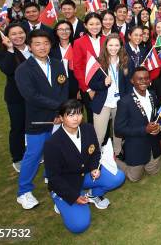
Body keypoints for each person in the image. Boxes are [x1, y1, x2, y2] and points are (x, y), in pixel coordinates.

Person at [44, 99, 125, 234]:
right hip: (66, 185)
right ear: (61, 118)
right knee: (79, 225)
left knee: (118, 177)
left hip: (85, 176)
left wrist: (94, 168)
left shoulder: (87, 128)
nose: (76, 118)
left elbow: (95, 152)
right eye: (70, 115)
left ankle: (94, 194)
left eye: (79, 113)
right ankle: (61, 201)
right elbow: (53, 178)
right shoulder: (52, 143)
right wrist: (74, 197)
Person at [14, 29, 69, 209]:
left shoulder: (57, 63)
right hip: (38, 120)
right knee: (33, 155)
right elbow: (32, 96)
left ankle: (52, 178)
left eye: (45, 43)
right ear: (29, 47)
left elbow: (63, 87)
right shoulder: (23, 69)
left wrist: (60, 113)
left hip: (58, 119)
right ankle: (24, 192)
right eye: (37, 44)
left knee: (57, 153)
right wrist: (57, 108)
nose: (42, 47)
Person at [0, 23, 30, 172]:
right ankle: (18, 157)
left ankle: (35, 152)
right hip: (17, 97)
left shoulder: (33, 49)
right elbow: (8, 69)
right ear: (6, 37)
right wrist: (9, 49)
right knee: (18, 127)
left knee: (34, 126)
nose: (18, 36)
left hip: (35, 97)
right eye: (13, 34)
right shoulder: (2, 54)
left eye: (20, 33)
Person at [115, 67, 161, 182]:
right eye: (139, 79)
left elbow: (157, 116)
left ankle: (149, 159)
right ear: (132, 81)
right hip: (136, 144)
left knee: (154, 171)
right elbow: (118, 129)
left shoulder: (152, 94)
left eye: (146, 78)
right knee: (134, 177)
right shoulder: (124, 102)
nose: (144, 81)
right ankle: (113, 159)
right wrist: (144, 130)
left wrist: (159, 126)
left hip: (152, 142)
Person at [87, 34, 128, 156]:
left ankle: (117, 153)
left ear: (121, 46)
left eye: (116, 45)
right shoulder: (98, 62)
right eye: (110, 45)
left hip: (120, 103)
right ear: (106, 46)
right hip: (103, 103)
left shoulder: (125, 61)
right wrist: (103, 84)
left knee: (118, 131)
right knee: (99, 134)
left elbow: (128, 84)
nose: (113, 48)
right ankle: (95, 157)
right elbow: (91, 83)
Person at [72, 13, 107, 123]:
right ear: (85, 25)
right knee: (92, 116)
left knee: (105, 116)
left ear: (101, 25)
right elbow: (77, 67)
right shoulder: (78, 42)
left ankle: (105, 140)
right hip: (88, 86)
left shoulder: (106, 40)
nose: (95, 26)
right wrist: (88, 89)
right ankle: (93, 139)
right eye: (91, 24)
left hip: (105, 84)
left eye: (97, 23)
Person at [50, 20, 79, 99]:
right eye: (61, 29)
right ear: (56, 32)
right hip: (57, 85)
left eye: (67, 29)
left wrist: (81, 88)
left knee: (75, 109)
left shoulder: (77, 46)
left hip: (75, 84)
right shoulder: (51, 49)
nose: (64, 31)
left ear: (71, 31)